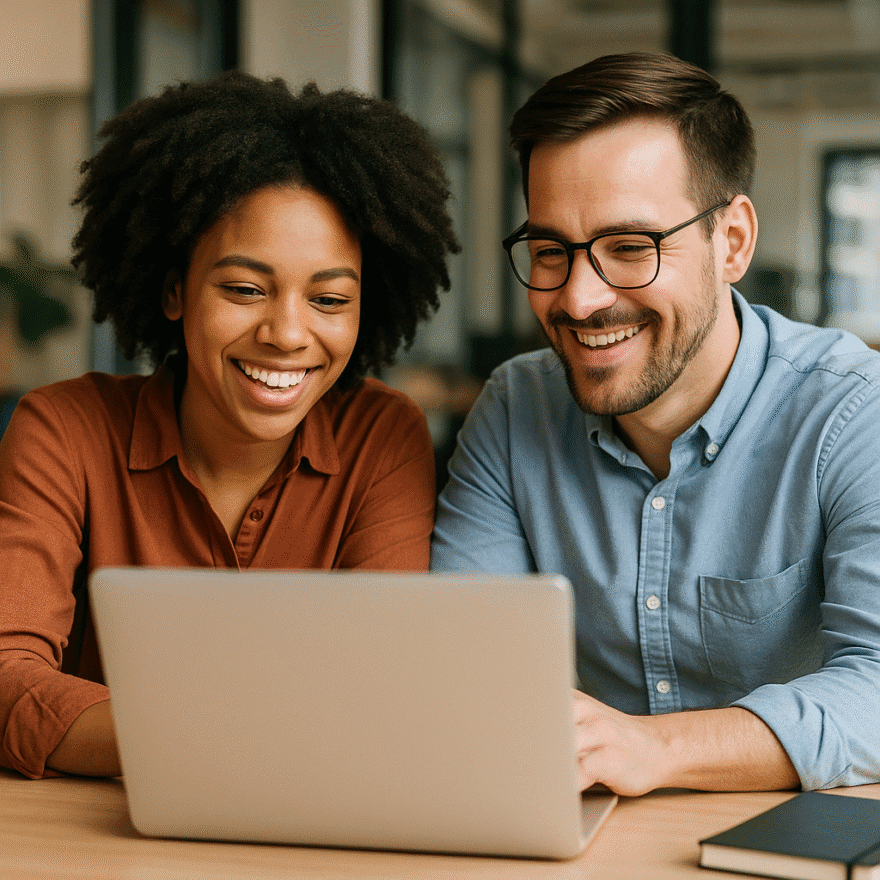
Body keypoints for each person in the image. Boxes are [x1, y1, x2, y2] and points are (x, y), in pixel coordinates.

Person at [431, 52, 880, 796]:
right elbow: (465, 668)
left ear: (732, 241)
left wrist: (656, 748)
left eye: (630, 248)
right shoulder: (514, 408)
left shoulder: (853, 410)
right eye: (551, 251)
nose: (578, 299)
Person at [0, 71, 458, 780]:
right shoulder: (64, 431)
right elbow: (5, 678)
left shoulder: (382, 437)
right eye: (245, 289)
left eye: (330, 297)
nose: (286, 333)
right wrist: (224, 743)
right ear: (176, 289)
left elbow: (382, 689)